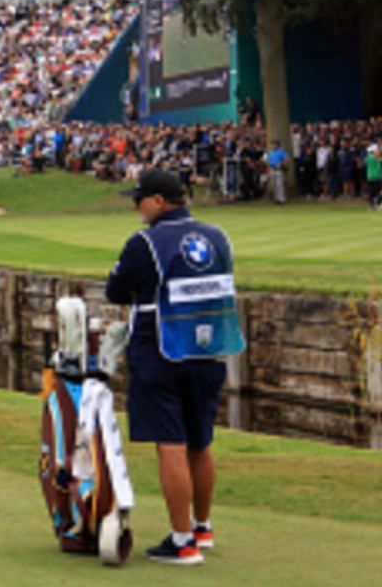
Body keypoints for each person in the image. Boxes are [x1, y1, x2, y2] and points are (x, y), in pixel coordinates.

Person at [106, 168, 245, 566]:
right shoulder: (218, 236)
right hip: (209, 349)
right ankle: (202, 528)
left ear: (159, 202)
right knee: (201, 441)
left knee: (171, 443)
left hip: (160, 350)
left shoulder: (145, 242)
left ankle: (182, 541)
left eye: (139, 199)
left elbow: (116, 289)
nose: (135, 206)